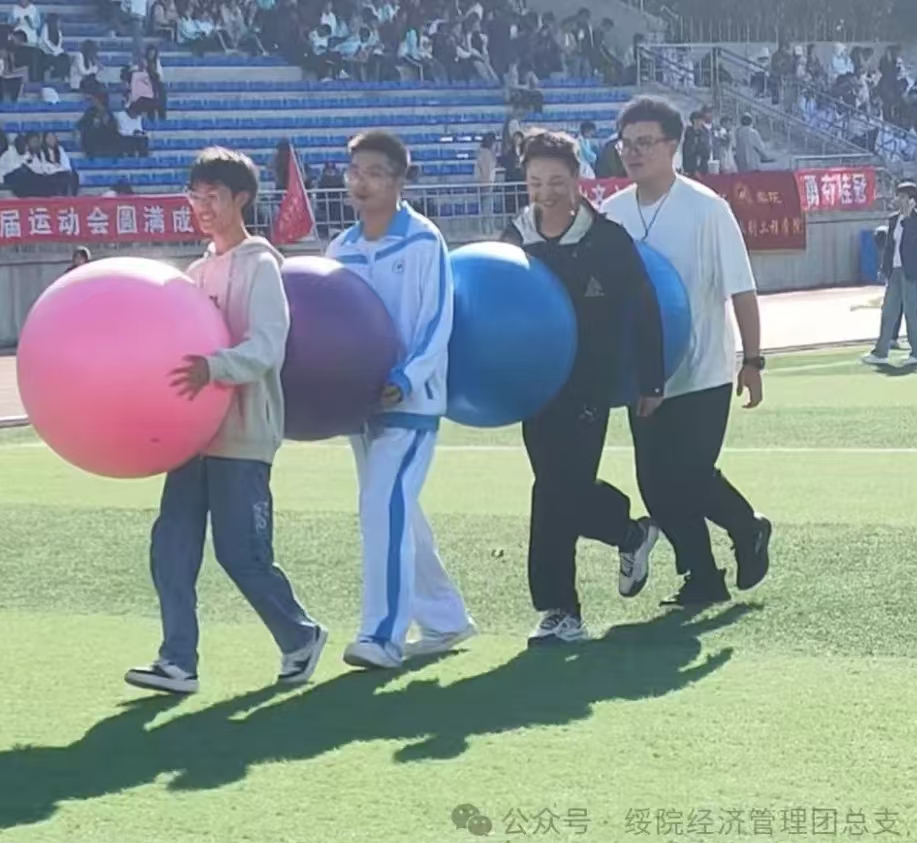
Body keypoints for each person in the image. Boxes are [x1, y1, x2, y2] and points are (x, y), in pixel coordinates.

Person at [125, 146, 327, 695]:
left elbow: (266, 347)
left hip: (243, 434)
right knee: (171, 548)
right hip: (192, 436)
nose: (203, 207)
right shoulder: (194, 272)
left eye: (213, 196)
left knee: (242, 554)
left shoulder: (261, 266)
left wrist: (213, 368)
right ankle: (177, 661)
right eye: (195, 196)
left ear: (242, 198)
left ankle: (300, 635)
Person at [600, 96, 773, 605]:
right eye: (626, 144)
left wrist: (753, 361)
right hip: (645, 376)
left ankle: (747, 527)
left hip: (703, 370)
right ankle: (702, 576)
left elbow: (741, 289)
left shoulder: (707, 209)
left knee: (691, 475)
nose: (634, 152)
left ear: (673, 146)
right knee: (655, 484)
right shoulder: (611, 214)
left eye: (646, 143)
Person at [500, 129, 665, 644]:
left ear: (576, 179)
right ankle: (630, 532)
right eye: (535, 182)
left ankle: (560, 611)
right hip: (535, 387)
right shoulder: (515, 238)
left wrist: (651, 379)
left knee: (553, 490)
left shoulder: (607, 239)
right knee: (559, 487)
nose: (545, 192)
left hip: (590, 382)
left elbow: (644, 308)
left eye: (556, 181)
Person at [325, 130, 475, 669]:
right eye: (355, 172)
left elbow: (437, 320)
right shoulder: (339, 250)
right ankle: (445, 617)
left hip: (410, 403)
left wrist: (407, 378)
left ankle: (382, 635)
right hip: (358, 407)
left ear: (399, 181)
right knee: (395, 508)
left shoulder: (423, 241)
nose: (361, 183)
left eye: (374, 173)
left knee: (381, 506)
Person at [862, 181, 917, 367]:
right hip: (895, 270)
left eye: (902, 196)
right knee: (888, 311)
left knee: (911, 311)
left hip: (911, 270)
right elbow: (890, 247)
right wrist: (885, 268)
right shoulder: (893, 219)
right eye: (898, 196)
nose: (898, 199)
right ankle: (880, 352)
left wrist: (907, 217)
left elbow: (912, 243)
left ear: (911, 199)